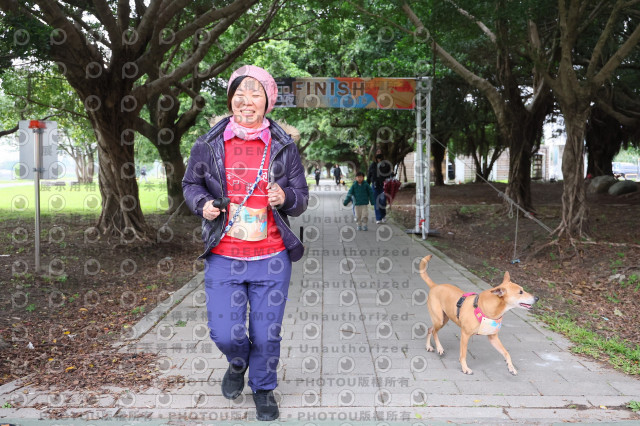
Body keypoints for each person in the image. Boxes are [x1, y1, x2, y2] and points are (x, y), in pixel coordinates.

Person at [182, 65, 308, 421]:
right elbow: (191, 184)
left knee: (266, 335)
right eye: (240, 94)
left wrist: (285, 197)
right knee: (225, 333)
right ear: (230, 99)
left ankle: (264, 389)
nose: (247, 101)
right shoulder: (208, 144)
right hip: (224, 255)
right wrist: (203, 204)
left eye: (255, 94)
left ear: (268, 102)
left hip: (271, 257)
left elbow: (301, 197)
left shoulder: (284, 147)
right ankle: (238, 362)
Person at [367, 153, 392, 223]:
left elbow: (389, 175)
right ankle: (378, 218)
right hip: (375, 185)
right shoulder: (372, 165)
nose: (379, 159)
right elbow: (369, 175)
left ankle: (383, 215)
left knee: (382, 201)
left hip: (383, 186)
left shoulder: (386, 165)